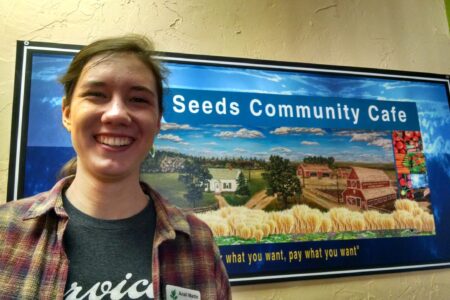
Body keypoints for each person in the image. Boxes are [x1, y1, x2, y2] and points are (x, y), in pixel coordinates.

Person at [0, 35, 231, 299]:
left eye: (138, 99)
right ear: (67, 114)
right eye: (97, 95)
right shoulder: (5, 231)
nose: (117, 113)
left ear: (157, 122)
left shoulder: (198, 241)